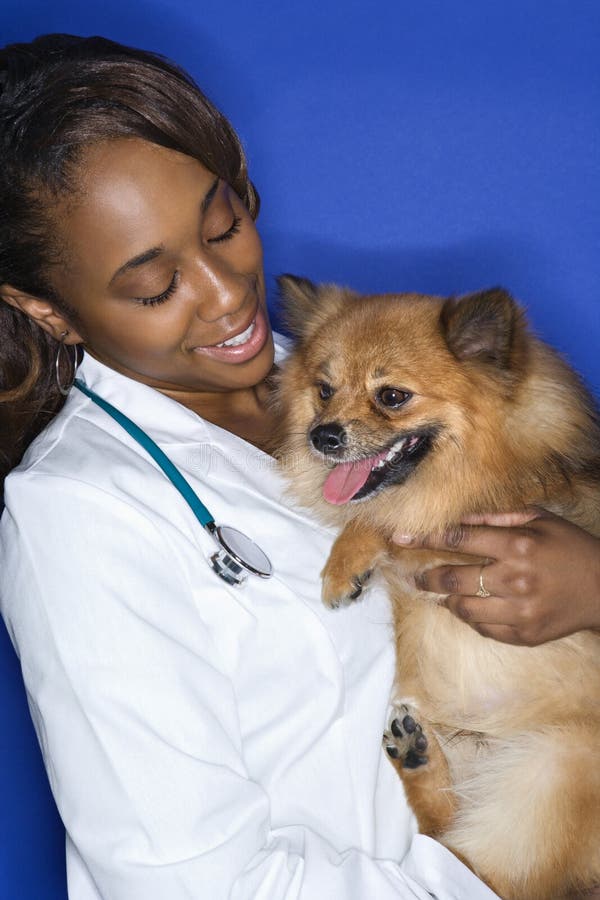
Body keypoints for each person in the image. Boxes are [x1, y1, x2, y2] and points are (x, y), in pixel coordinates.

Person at [0, 34, 598, 900]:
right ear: (47, 311)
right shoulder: (79, 513)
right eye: (154, 287)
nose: (226, 294)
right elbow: (191, 884)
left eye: (223, 227)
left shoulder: (348, 368)